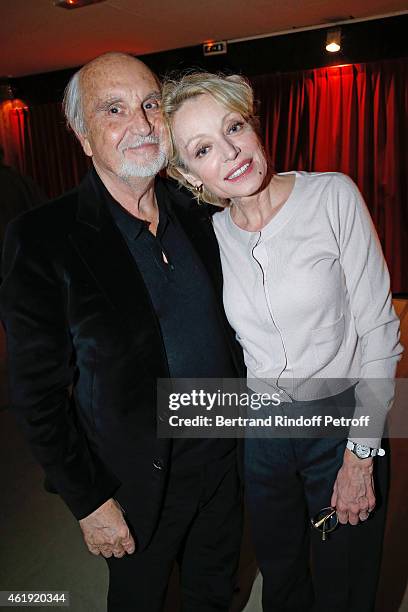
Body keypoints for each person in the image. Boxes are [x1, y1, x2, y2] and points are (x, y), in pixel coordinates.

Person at [0, 54, 245, 612]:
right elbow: (36, 398)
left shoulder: (199, 209)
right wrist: (89, 501)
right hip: (136, 486)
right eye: (114, 110)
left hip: (224, 461)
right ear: (84, 136)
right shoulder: (43, 238)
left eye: (150, 105)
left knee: (215, 593)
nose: (141, 123)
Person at [161, 72, 403, 612]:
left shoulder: (330, 195)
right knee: (282, 574)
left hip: (340, 419)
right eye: (204, 149)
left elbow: (381, 335)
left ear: (252, 124)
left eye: (235, 127)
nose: (230, 153)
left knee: (345, 578)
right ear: (188, 173)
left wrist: (360, 456)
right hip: (264, 432)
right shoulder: (210, 236)